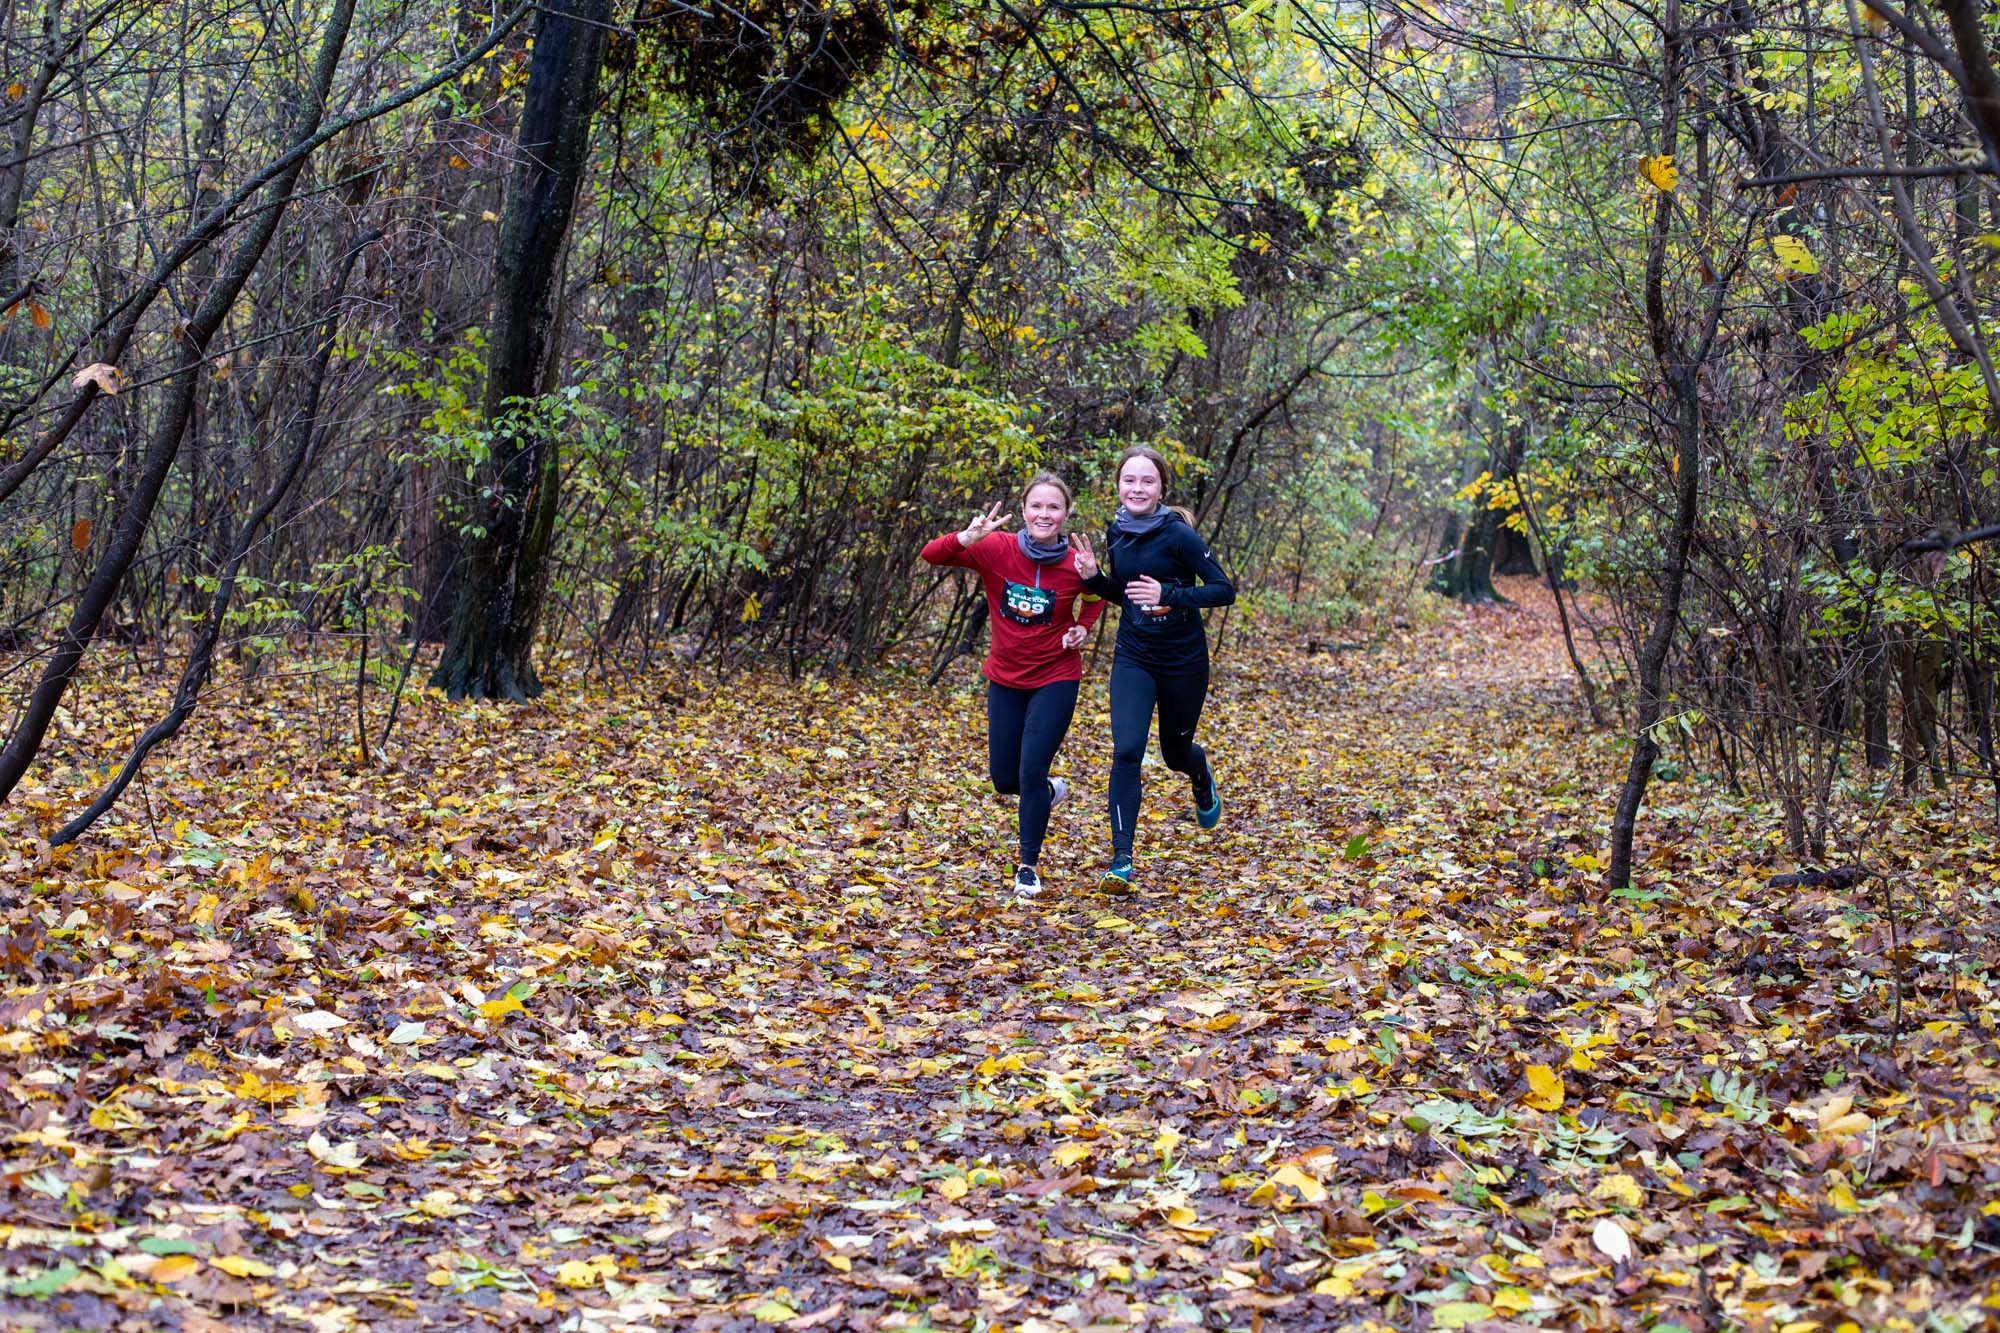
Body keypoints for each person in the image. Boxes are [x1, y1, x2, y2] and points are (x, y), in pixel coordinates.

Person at [921, 473, 1104, 897]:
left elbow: (1097, 596)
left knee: (1031, 767)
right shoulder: (996, 549)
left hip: (1056, 676)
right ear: (1023, 510)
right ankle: (1044, 794)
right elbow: (931, 555)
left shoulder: (1077, 562)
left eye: (1053, 507)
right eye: (1036, 506)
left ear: (1065, 514)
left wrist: (1082, 629)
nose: (1044, 514)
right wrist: (966, 538)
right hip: (1005, 677)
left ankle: (1028, 866)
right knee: (1005, 779)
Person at [1072, 445, 1234, 888]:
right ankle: (1121, 860)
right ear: (1118, 485)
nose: (1137, 488)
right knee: (1126, 750)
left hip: (1183, 661)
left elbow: (1224, 590)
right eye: (1129, 480)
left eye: (1147, 481)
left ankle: (1200, 776)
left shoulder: (1179, 535)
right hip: (1134, 656)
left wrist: (1173, 595)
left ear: (1161, 487)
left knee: (1174, 754)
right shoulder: (1117, 531)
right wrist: (1093, 580)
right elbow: (1125, 594)